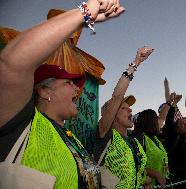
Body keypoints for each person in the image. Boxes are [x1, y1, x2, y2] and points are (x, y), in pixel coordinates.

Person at [0, 0, 125, 188]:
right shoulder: (24, 124)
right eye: (69, 83)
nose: (77, 89)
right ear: (44, 90)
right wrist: (84, 13)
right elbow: (11, 64)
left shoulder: (70, 136)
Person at [93, 46, 154, 189]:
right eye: (123, 108)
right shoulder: (105, 134)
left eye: (129, 107)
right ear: (111, 114)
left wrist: (146, 181)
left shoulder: (134, 142)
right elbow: (117, 96)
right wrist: (136, 63)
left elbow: (135, 173)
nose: (130, 109)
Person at [132, 93, 175, 187]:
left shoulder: (154, 138)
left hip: (163, 184)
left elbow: (162, 117)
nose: (159, 121)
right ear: (150, 122)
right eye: (155, 119)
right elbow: (134, 165)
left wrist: (169, 102)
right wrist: (156, 174)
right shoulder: (139, 138)